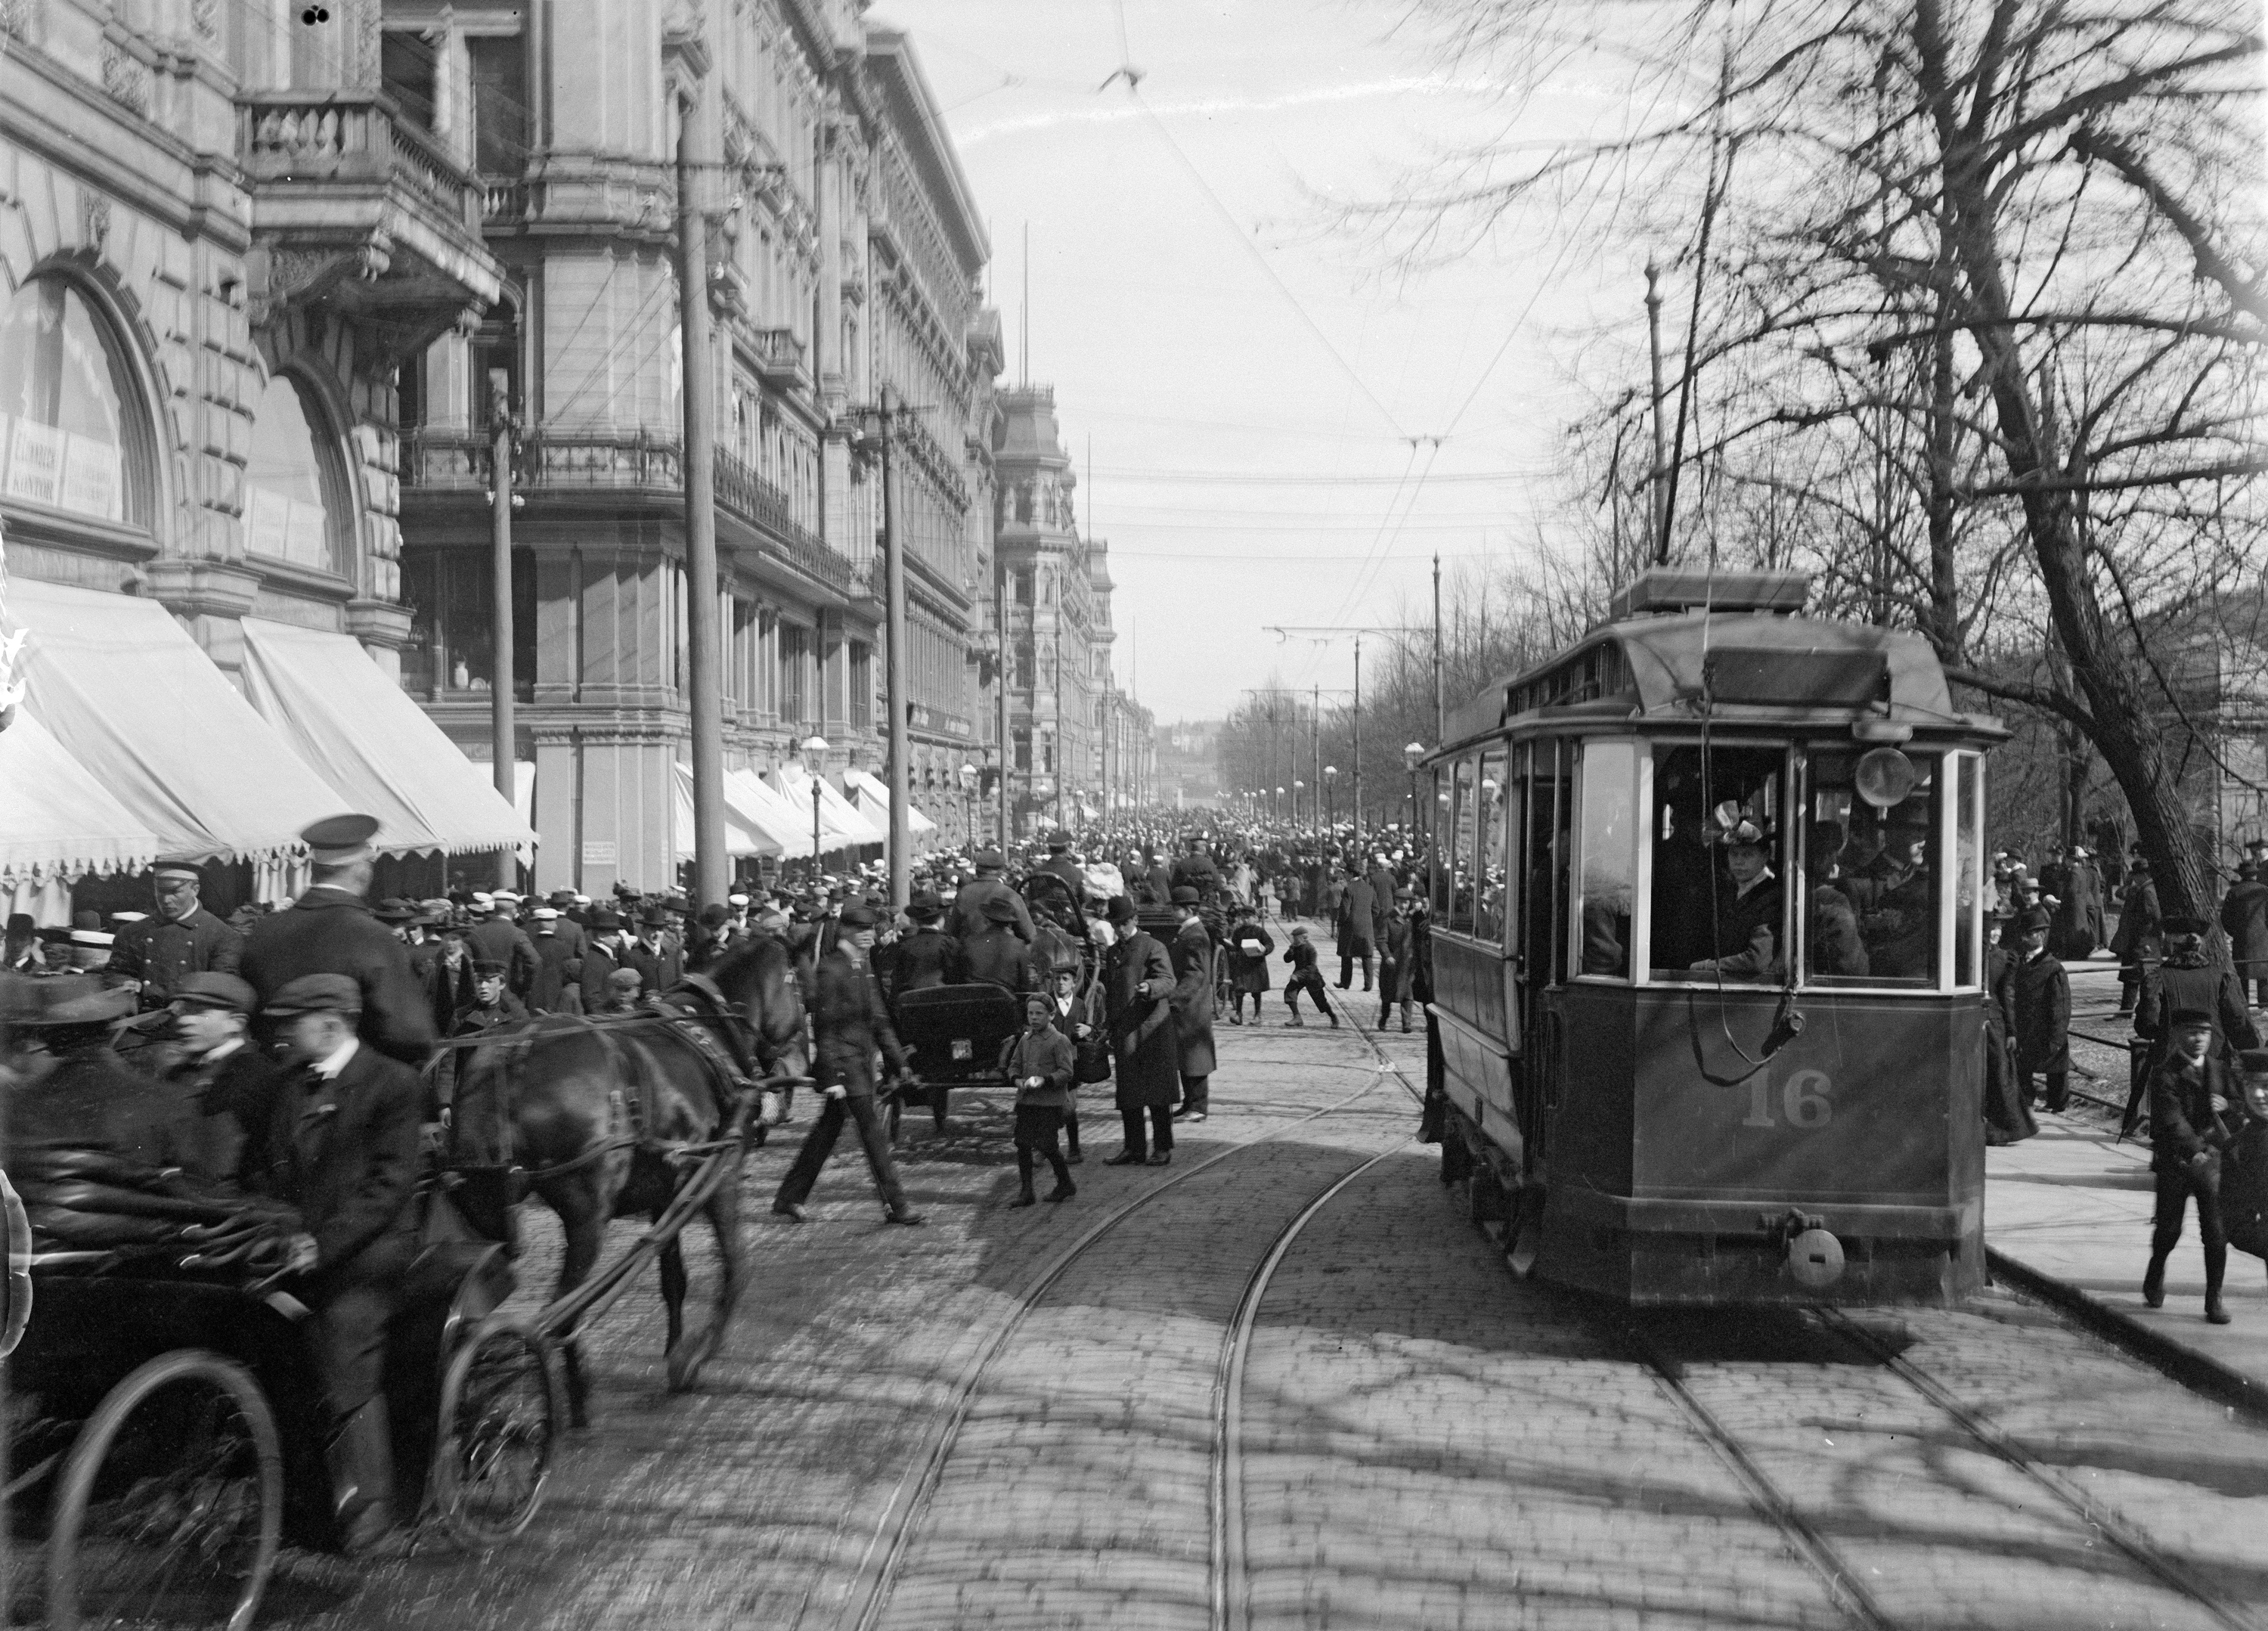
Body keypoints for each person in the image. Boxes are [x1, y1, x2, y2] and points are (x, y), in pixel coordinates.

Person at [243, 973, 423, 1557]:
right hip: (300, 1244)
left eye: (290, 1024)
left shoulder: (391, 1083)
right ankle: (295, 1497)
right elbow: (268, 1174)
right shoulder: (288, 1084)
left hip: (372, 1252)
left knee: (345, 1340)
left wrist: (324, 1242)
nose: (281, 1035)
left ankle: (370, 1513)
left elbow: (390, 1183)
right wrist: (279, 1229)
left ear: (329, 1024)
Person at [239, 815, 438, 1066]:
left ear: (314, 870)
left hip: (275, 1087)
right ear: (362, 869)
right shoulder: (372, 936)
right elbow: (409, 1036)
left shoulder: (264, 931)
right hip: (354, 1091)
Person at [770, 904, 924, 1225]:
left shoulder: (861, 966)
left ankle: (789, 1196)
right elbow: (825, 1027)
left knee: (826, 1133)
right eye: (861, 929)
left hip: (859, 1064)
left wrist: (899, 1061)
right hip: (845, 1068)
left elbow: (879, 1020)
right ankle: (897, 1205)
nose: (870, 933)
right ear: (845, 931)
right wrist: (833, 1075)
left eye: (871, 928)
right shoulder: (832, 970)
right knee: (873, 1136)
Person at [2143, 1006, 2236, 1323]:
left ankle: (2214, 1299)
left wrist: (2227, 1105)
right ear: (2178, 1036)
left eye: (2205, 1033)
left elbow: (2243, 1106)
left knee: (2216, 1233)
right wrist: (2194, 1148)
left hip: (2212, 1165)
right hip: (2176, 1162)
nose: (2199, 1039)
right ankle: (2156, 1271)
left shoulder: (2220, 1069)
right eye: (2192, 1033)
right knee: (2169, 1229)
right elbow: (2171, 1119)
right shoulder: (2164, 1072)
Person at [2130, 913, 2259, 1136]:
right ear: (2199, 946)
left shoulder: (2158, 978)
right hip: (2215, 1062)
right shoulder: (2220, 977)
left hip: (2173, 1063)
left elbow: (2147, 1025)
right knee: (2215, 1125)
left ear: (2170, 944)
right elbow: (2239, 1023)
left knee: (2173, 1125)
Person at [159, 972, 280, 1184]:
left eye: (200, 1013)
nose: (185, 1021)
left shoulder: (254, 1074)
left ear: (236, 1023)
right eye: (185, 1011)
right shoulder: (179, 1071)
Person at [1098, 896, 1179, 1165]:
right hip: (1126, 1031)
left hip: (1152, 1029)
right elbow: (1111, 993)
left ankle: (1162, 1148)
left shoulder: (1153, 946)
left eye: (1124, 923)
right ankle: (1134, 1148)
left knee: (1158, 1093)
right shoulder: (1113, 952)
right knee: (1129, 1094)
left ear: (1134, 920)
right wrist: (1109, 1026)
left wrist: (1150, 988)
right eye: (1115, 924)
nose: (1120, 928)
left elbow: (1168, 980)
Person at [106, 857, 243, 1009]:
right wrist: (125, 983)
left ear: (195, 890)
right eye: (160, 891)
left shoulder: (223, 936)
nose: (166, 900)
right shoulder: (131, 932)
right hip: (136, 1022)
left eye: (175, 892)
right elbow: (114, 973)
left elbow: (221, 986)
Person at [1001, 991, 1078, 1207]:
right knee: (1023, 1144)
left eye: (1039, 1013)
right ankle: (1027, 1191)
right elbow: (1014, 1065)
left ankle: (1065, 1183)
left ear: (1051, 1015)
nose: (1034, 1018)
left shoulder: (1059, 1041)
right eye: (1030, 1013)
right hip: (1026, 1102)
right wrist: (1016, 1079)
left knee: (1047, 1145)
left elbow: (1067, 1072)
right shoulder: (1025, 1040)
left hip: (1049, 1105)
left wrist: (1044, 1080)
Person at [1690, 804, 1783, 981]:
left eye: (1747, 855)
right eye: (1734, 854)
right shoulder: (1730, 891)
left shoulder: (1771, 897)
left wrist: (1707, 966)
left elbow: (1757, 960)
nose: (1739, 862)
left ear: (1765, 856)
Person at [2011, 906, 2072, 1114]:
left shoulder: (2052, 968)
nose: (2023, 939)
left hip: (2045, 1029)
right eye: (2022, 934)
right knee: (2023, 1066)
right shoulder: (2020, 962)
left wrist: (2057, 1035)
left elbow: (2060, 1005)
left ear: (2041, 936)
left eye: (2028, 934)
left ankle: (2057, 1102)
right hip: (2025, 1028)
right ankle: (2026, 1100)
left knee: (2055, 1067)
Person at [1982, 911, 2035, 1145]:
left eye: (1999, 928)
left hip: (1996, 1021)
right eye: (1992, 927)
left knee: (2000, 1070)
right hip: (1975, 1017)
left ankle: (2005, 1128)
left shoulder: (2006, 958)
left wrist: (2012, 1031)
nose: (1996, 932)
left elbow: (2007, 995)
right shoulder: (1970, 955)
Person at [1168, 888, 1217, 1124]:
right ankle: (1190, 1103)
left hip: (1192, 1006)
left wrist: (1175, 999)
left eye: (1175, 907)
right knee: (1186, 1057)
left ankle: (1198, 1106)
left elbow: (1195, 974)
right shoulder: (1189, 932)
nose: (1171, 911)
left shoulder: (1195, 935)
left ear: (1187, 910)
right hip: (1189, 1006)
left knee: (1195, 1057)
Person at [878, 891, 962, 1000]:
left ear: (916, 920)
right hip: (943, 1004)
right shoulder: (950, 944)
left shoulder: (904, 946)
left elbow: (896, 983)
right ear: (940, 919)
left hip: (911, 1006)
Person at [1044, 966, 1090, 1164]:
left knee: (1069, 1107)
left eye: (1065, 979)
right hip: (1049, 1062)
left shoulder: (1079, 1005)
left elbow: (1091, 1027)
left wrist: (1088, 1029)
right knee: (1045, 1106)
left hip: (1072, 1064)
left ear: (1073, 982)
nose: (1061, 983)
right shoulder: (1046, 1003)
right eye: (1057, 979)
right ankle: (1043, 1148)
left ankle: (1074, 1148)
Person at [948, 850, 1035, 945]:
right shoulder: (1010, 895)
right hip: (1002, 954)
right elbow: (1029, 934)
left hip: (968, 954)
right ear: (1001, 872)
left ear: (977, 870)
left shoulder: (963, 893)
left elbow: (953, 932)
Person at [2111, 857, 2161, 1015]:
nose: (2134, 879)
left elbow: (2153, 916)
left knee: (2137, 977)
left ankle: (2134, 1011)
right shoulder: (2144, 889)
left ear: (2144, 875)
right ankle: (2127, 1010)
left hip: (2144, 942)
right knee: (2131, 976)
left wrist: (2138, 930)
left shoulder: (2147, 891)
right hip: (2140, 940)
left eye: (2137, 875)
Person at [466, 896, 538, 1000]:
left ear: (495, 910)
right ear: (514, 911)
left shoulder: (476, 932)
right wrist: (524, 987)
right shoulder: (517, 933)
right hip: (509, 992)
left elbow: (467, 961)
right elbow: (535, 961)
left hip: (481, 991)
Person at [962, 895, 1035, 993]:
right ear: (1008, 924)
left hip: (973, 1000)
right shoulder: (1018, 945)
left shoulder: (969, 942)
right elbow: (1025, 986)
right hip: (1005, 1002)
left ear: (986, 919)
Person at [2223, 862, 2268, 1007]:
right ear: (2255, 874)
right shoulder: (2264, 891)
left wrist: (2235, 932)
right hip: (2263, 941)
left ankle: (2245, 1007)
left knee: (2243, 976)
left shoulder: (2233, 892)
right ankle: (2264, 1007)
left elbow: (2225, 918)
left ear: (2241, 875)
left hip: (2241, 941)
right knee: (2264, 976)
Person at [1222, 905, 1275, 1027]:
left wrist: (1264, 949)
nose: (1245, 920)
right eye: (1243, 918)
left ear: (1255, 918)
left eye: (1248, 918)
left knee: (1256, 991)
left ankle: (1257, 1015)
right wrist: (1232, 948)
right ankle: (1239, 1014)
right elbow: (1234, 945)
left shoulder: (1260, 931)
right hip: (1242, 964)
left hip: (1256, 964)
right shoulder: (1238, 931)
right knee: (1239, 990)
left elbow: (1270, 944)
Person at [1281, 926, 1337, 1028]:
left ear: (1303, 937)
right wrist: (1290, 951)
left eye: (1295, 937)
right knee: (1290, 992)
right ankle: (1297, 1017)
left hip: (1312, 978)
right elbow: (1286, 959)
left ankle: (1333, 1017)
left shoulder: (1310, 949)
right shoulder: (1295, 947)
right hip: (1299, 977)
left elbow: (1312, 967)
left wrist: (1298, 975)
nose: (1293, 939)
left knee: (1320, 1001)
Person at [528, 907, 580, 1013]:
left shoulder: (529, 947)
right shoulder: (563, 947)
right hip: (557, 997)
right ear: (555, 926)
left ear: (536, 926)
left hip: (532, 997)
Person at [578, 907, 631, 1013]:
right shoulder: (594, 960)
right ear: (601, 936)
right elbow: (591, 997)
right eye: (615, 934)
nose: (619, 938)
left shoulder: (604, 957)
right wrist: (605, 1018)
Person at [451, 960, 526, 1034]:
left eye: (489, 981)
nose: (483, 986)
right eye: (479, 981)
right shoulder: (461, 1016)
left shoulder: (517, 1015)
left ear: (501, 984)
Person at [1335, 864, 1377, 991]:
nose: (1345, 876)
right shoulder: (1370, 889)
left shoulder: (1349, 889)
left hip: (1350, 927)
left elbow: (1345, 910)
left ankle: (1345, 982)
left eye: (1346, 873)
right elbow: (1376, 909)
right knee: (1367, 956)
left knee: (1347, 955)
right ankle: (1368, 985)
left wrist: (1340, 924)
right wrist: (1368, 920)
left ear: (1351, 874)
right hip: (1367, 927)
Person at [624, 906, 684, 995]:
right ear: (643, 930)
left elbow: (680, 985)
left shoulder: (672, 955)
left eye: (660, 930)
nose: (657, 934)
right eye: (652, 929)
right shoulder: (633, 957)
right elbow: (629, 991)